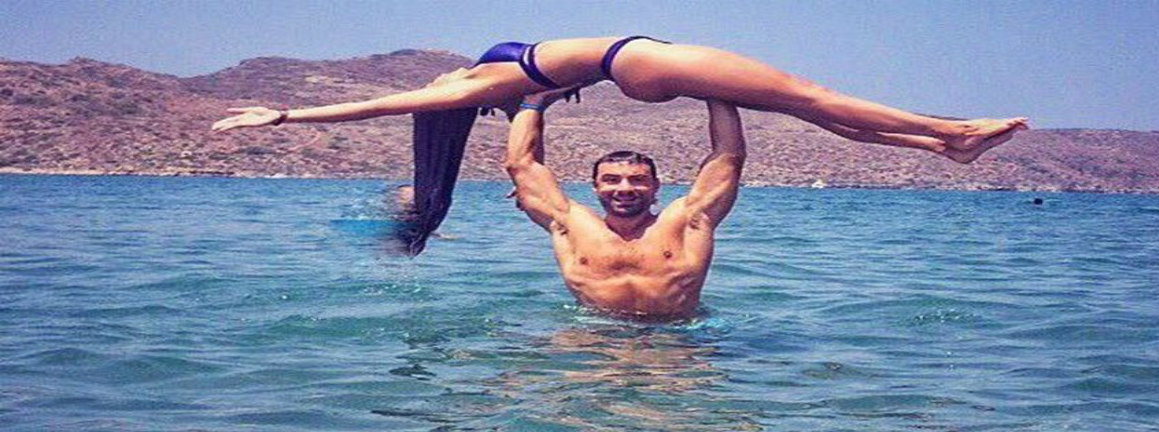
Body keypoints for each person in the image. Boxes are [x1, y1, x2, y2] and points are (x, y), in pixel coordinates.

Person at [212, 36, 1026, 163]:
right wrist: (284, 114)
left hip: (634, 74)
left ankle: (936, 148)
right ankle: (951, 128)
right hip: (634, 62)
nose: (433, 84)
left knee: (808, 109)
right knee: (809, 91)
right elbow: (388, 105)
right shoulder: (482, 83)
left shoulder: (496, 87)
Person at [503, 89, 745, 319]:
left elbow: (729, 157)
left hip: (674, 334)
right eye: (611, 180)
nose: (625, 188)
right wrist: (533, 102)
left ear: (655, 186)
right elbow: (521, 165)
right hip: (593, 332)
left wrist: (714, 92)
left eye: (638, 180)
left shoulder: (688, 222)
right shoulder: (569, 223)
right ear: (596, 186)